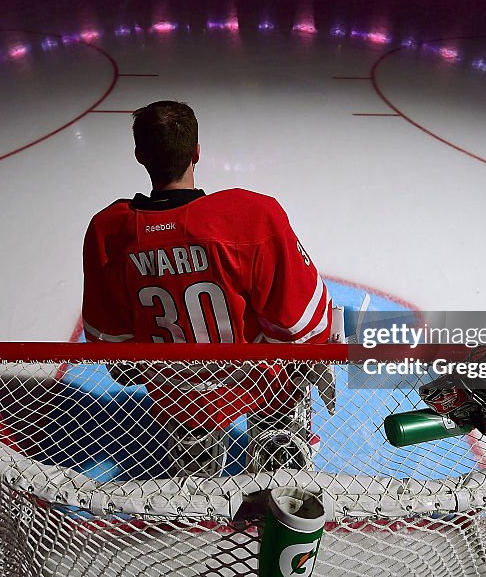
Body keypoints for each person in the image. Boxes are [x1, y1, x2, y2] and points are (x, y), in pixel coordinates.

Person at [82, 101, 333, 476]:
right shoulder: (250, 215)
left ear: (140, 156)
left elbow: (111, 339)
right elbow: (302, 323)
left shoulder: (108, 231)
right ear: (197, 151)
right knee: (290, 382)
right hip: (259, 379)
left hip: (176, 391)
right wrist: (314, 358)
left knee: (193, 449)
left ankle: (198, 469)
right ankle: (279, 454)